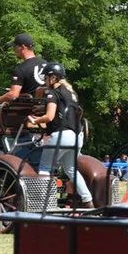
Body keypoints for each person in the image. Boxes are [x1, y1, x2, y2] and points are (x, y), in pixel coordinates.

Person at [27, 62, 94, 210]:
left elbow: (50, 117)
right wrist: (42, 107)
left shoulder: (52, 93)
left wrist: (36, 119)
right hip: (77, 137)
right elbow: (62, 109)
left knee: (45, 167)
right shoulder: (71, 93)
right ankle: (88, 201)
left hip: (61, 135)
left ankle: (44, 205)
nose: (45, 80)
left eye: (46, 77)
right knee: (71, 170)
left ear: (53, 78)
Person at [0, 33, 47, 107]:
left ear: (22, 47)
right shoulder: (45, 63)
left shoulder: (21, 69)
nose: (14, 50)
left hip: (27, 110)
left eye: (15, 47)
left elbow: (12, 95)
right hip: (44, 107)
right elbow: (34, 87)